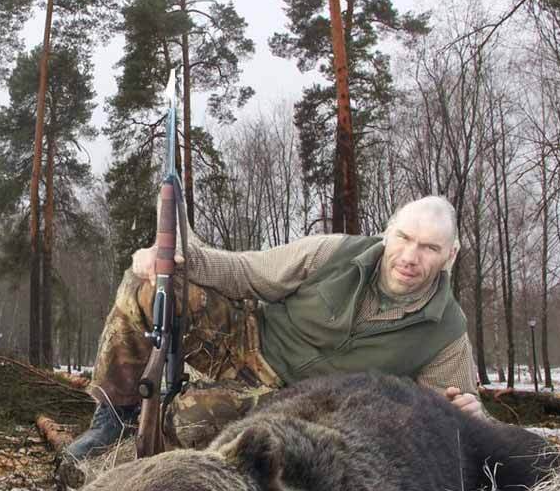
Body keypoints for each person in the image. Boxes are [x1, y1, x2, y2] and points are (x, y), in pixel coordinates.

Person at [66, 195, 483, 459]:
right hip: (246, 340)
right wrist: (172, 257)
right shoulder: (332, 252)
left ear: (450, 256)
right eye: (405, 239)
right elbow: (246, 271)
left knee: (192, 421)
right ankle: (114, 415)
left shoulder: (447, 334)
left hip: (296, 403)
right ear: (388, 234)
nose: (411, 256)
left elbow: (454, 416)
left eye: (429, 248)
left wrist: (475, 413)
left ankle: (128, 469)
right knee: (147, 285)